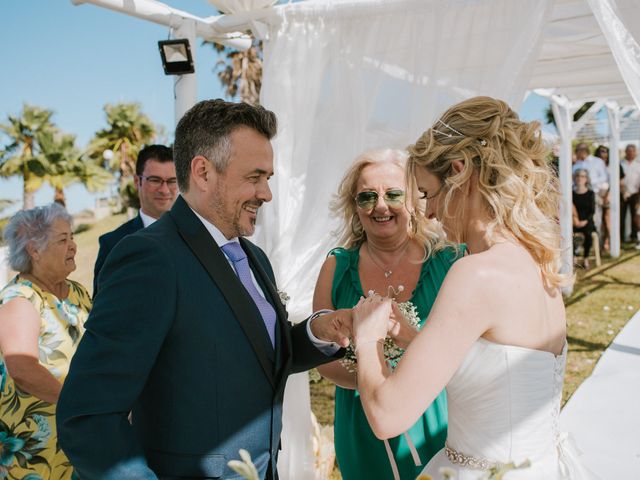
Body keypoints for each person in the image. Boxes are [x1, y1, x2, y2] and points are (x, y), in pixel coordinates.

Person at [56, 99, 351, 480]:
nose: (266, 194)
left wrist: (316, 332)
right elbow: (88, 414)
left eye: (268, 179)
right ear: (203, 172)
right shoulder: (151, 257)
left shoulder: (255, 257)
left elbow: (254, 356)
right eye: (254, 177)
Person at [351, 97, 594, 478]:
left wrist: (367, 337)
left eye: (428, 194)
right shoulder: (538, 264)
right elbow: (500, 370)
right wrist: (415, 338)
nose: (428, 212)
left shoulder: (475, 274)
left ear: (460, 173)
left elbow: (387, 416)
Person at [314, 149, 461, 479]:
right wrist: (376, 382)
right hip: (361, 420)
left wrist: (408, 379)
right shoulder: (336, 267)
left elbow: (468, 350)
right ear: (355, 206)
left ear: (413, 200)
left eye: (393, 194)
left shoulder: (449, 261)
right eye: (367, 197)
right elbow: (322, 357)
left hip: (437, 413)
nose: (380, 206)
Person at [0, 203, 91, 479]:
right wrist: (82, 409)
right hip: (35, 450)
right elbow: (23, 370)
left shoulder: (78, 293)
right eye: (63, 240)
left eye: (73, 237)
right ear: (34, 250)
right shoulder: (20, 299)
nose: (73, 246)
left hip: (78, 441)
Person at [93, 144, 176, 296]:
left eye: (172, 181)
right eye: (155, 180)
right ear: (137, 181)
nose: (165, 190)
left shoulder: (196, 236)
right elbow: (104, 308)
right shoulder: (113, 243)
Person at [572, 143, 608, 237]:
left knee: (596, 218)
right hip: (578, 195)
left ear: (585, 150)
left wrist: (590, 182)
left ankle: (597, 242)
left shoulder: (597, 161)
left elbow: (604, 177)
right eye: (577, 150)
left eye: (579, 150)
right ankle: (579, 244)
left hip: (594, 194)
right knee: (578, 217)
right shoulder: (576, 165)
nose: (578, 153)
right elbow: (572, 180)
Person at [572, 169, 596, 269]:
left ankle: (585, 258)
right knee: (567, 233)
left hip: (587, 221)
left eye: (582, 176)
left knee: (588, 234)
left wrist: (585, 221)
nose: (579, 178)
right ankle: (574, 256)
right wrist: (575, 221)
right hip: (574, 221)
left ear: (586, 179)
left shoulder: (591, 193)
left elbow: (592, 211)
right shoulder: (571, 193)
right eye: (577, 176)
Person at [620, 144, 640, 247]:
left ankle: (634, 237)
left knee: (635, 217)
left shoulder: (638, 164)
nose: (630, 152)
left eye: (632, 151)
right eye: (628, 151)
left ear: (635, 152)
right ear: (626, 152)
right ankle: (621, 238)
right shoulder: (621, 163)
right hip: (622, 194)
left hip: (635, 194)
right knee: (621, 216)